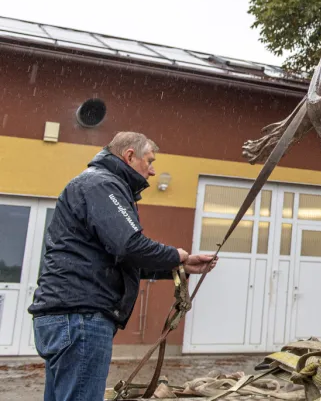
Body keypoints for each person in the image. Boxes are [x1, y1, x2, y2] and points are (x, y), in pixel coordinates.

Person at [28, 132, 218, 401]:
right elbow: (130, 246)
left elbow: (123, 258)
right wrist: (175, 255)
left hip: (68, 315)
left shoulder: (97, 185)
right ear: (130, 156)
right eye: (149, 161)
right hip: (80, 317)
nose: (152, 171)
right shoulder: (101, 185)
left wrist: (181, 267)